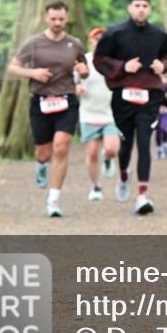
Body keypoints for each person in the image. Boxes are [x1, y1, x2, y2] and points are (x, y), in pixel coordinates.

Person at [93, 0, 167, 215]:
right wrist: (122, 67)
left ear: (150, 10)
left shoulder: (159, 34)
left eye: (145, 6)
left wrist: (164, 65)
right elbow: (99, 60)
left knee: (143, 142)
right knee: (126, 143)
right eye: (137, 5)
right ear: (129, 8)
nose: (141, 9)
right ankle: (123, 175)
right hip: (123, 96)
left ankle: (142, 195)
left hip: (150, 95)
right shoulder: (114, 33)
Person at [6, 0, 88, 217]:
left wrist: (84, 71)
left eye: (61, 19)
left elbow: (84, 69)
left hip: (67, 100)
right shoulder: (33, 43)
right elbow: (13, 68)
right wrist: (33, 73)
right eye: (53, 19)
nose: (57, 23)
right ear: (46, 18)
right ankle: (41, 164)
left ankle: (54, 199)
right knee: (44, 152)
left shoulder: (75, 44)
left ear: (67, 18)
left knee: (61, 147)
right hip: (40, 101)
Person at [75, 27, 120, 202]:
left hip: (110, 113)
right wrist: (77, 87)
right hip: (89, 113)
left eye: (103, 39)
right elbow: (73, 82)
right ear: (90, 41)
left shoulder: (114, 61)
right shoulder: (83, 61)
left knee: (112, 148)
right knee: (92, 152)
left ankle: (108, 159)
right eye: (96, 39)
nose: (99, 42)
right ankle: (96, 187)